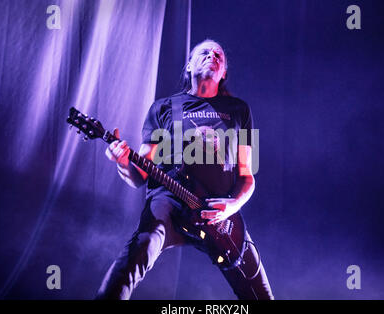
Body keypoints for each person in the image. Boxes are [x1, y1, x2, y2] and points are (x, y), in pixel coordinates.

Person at [95, 39, 274, 300]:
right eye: (204, 52)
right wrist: (123, 161)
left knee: (260, 293)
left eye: (219, 55)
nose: (213, 55)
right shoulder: (164, 108)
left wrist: (231, 206)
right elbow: (139, 175)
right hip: (169, 201)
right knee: (135, 256)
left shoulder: (239, 110)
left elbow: (247, 177)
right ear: (189, 65)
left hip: (220, 213)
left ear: (223, 73)